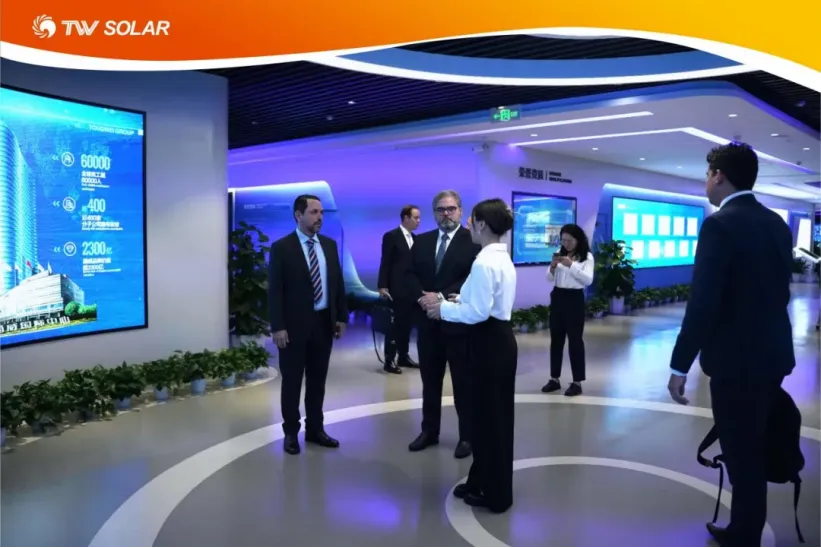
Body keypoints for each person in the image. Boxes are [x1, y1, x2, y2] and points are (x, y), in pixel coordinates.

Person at [666, 142, 795, 548]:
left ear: (719, 176)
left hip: (736, 364)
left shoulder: (719, 225)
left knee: (742, 455)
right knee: (752, 446)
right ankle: (744, 528)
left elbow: (704, 303)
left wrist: (679, 365)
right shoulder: (776, 223)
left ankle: (744, 537)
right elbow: (780, 292)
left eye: (707, 174)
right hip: (772, 356)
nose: (706, 182)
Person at [425, 198, 518, 513]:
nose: (467, 225)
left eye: (471, 220)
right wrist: (459, 300)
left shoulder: (484, 262)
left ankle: (496, 494)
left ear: (481, 223)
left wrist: (443, 308)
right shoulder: (500, 257)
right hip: (497, 340)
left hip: (488, 342)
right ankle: (481, 479)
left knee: (490, 421)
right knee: (488, 419)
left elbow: (477, 313)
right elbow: (483, 303)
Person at [268, 194, 348, 456]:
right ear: (298, 215)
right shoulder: (282, 248)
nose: (319, 217)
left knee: (317, 381)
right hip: (292, 328)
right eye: (314, 212)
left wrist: (341, 316)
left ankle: (315, 429)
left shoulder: (329, 245)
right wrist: (277, 326)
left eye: (321, 213)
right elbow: (275, 291)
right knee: (292, 382)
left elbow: (337, 284)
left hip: (323, 323)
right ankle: (291, 432)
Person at [406, 190, 480, 459]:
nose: (446, 214)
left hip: (458, 325)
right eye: (441, 209)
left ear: (460, 211)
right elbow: (408, 274)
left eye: (451, 209)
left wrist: (439, 296)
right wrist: (422, 298)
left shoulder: (473, 242)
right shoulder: (422, 241)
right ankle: (429, 431)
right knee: (430, 382)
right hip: (428, 324)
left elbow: (470, 279)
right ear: (434, 213)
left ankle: (467, 437)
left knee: (463, 383)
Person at [541, 224, 594, 397]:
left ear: (578, 240)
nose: (566, 244)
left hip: (574, 298)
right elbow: (548, 278)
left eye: (569, 240)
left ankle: (577, 382)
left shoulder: (587, 257)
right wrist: (552, 266)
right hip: (558, 297)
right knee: (556, 340)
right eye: (563, 240)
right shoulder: (559, 252)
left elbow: (588, 280)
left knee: (575, 340)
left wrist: (571, 265)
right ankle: (554, 378)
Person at [377, 205, 421, 374]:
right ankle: (389, 360)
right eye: (416, 218)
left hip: (411, 290)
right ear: (406, 218)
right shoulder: (391, 236)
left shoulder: (416, 239)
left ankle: (403, 356)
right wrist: (382, 285)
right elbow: (385, 261)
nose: (418, 221)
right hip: (396, 289)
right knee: (394, 326)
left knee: (407, 325)